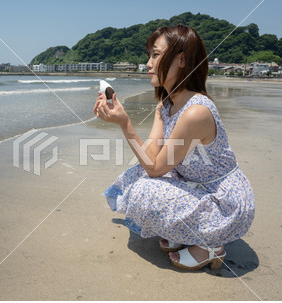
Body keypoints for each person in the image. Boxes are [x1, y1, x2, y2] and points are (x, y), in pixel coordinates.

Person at [93, 25, 255, 271]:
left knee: (145, 191)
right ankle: (187, 231)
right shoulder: (166, 105)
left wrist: (125, 124)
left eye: (155, 55)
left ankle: (211, 245)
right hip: (194, 184)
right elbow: (149, 160)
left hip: (224, 202)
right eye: (150, 55)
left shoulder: (195, 112)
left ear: (181, 59)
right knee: (134, 177)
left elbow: (156, 170)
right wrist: (121, 120)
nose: (148, 63)